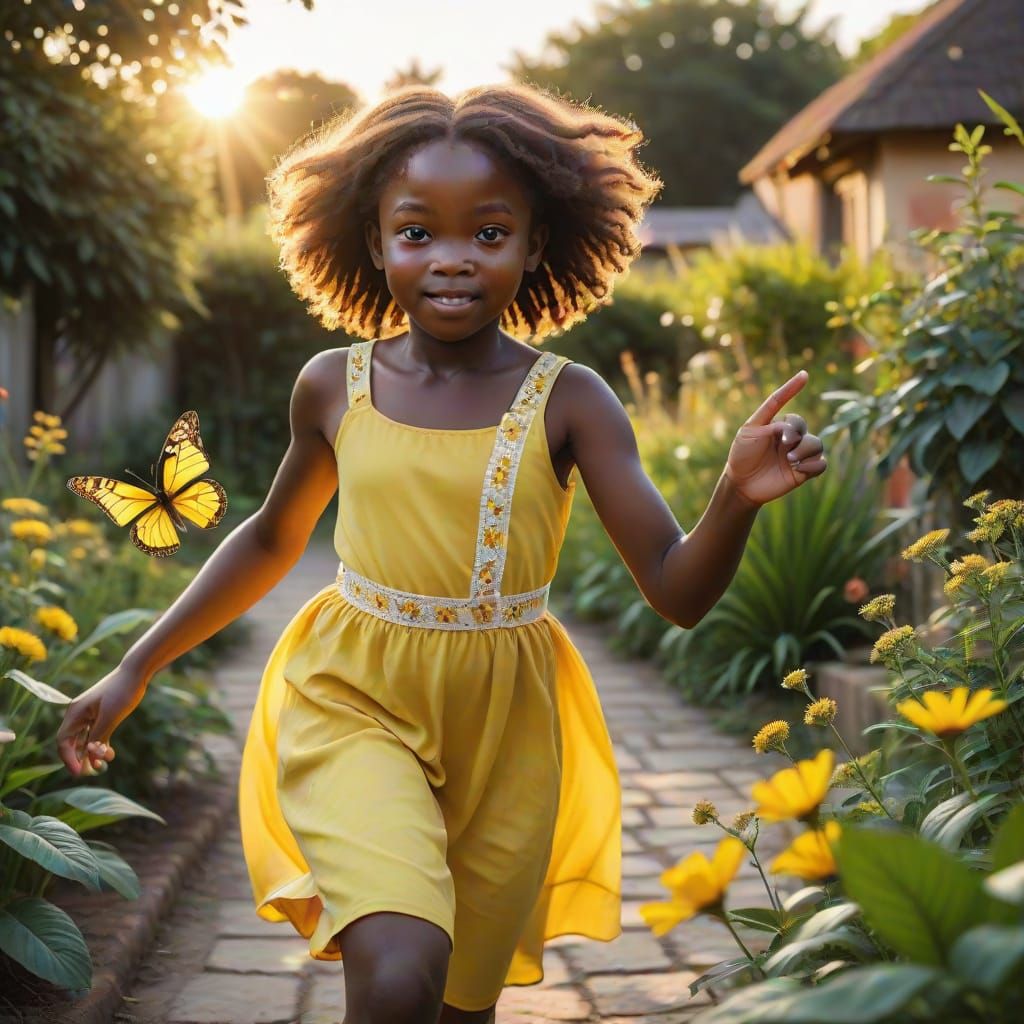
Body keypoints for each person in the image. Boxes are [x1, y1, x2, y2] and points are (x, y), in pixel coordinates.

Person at [56, 82, 826, 1023]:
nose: (452, 259)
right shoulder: (330, 387)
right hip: (353, 694)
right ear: (375, 242)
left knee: (459, 1005)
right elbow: (269, 537)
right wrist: (138, 664)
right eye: (418, 233)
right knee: (394, 970)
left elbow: (676, 591)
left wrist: (735, 498)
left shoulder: (573, 400)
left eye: (489, 233)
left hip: (508, 725)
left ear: (536, 244)